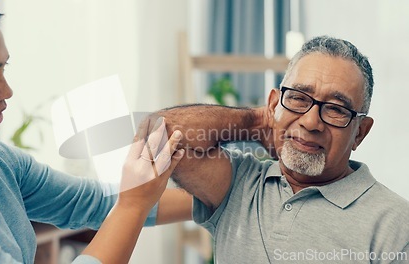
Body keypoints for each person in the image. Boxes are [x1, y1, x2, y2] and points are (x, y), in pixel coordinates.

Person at [0, 0, 191, 263]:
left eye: (4, 70)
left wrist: (218, 195)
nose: (6, 91)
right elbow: (126, 202)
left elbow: (88, 201)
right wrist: (133, 204)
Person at [154, 36, 409, 263]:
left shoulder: (395, 223)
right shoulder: (239, 183)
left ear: (360, 132)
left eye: (335, 109)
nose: (311, 122)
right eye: (298, 98)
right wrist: (257, 121)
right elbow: (160, 135)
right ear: (275, 103)